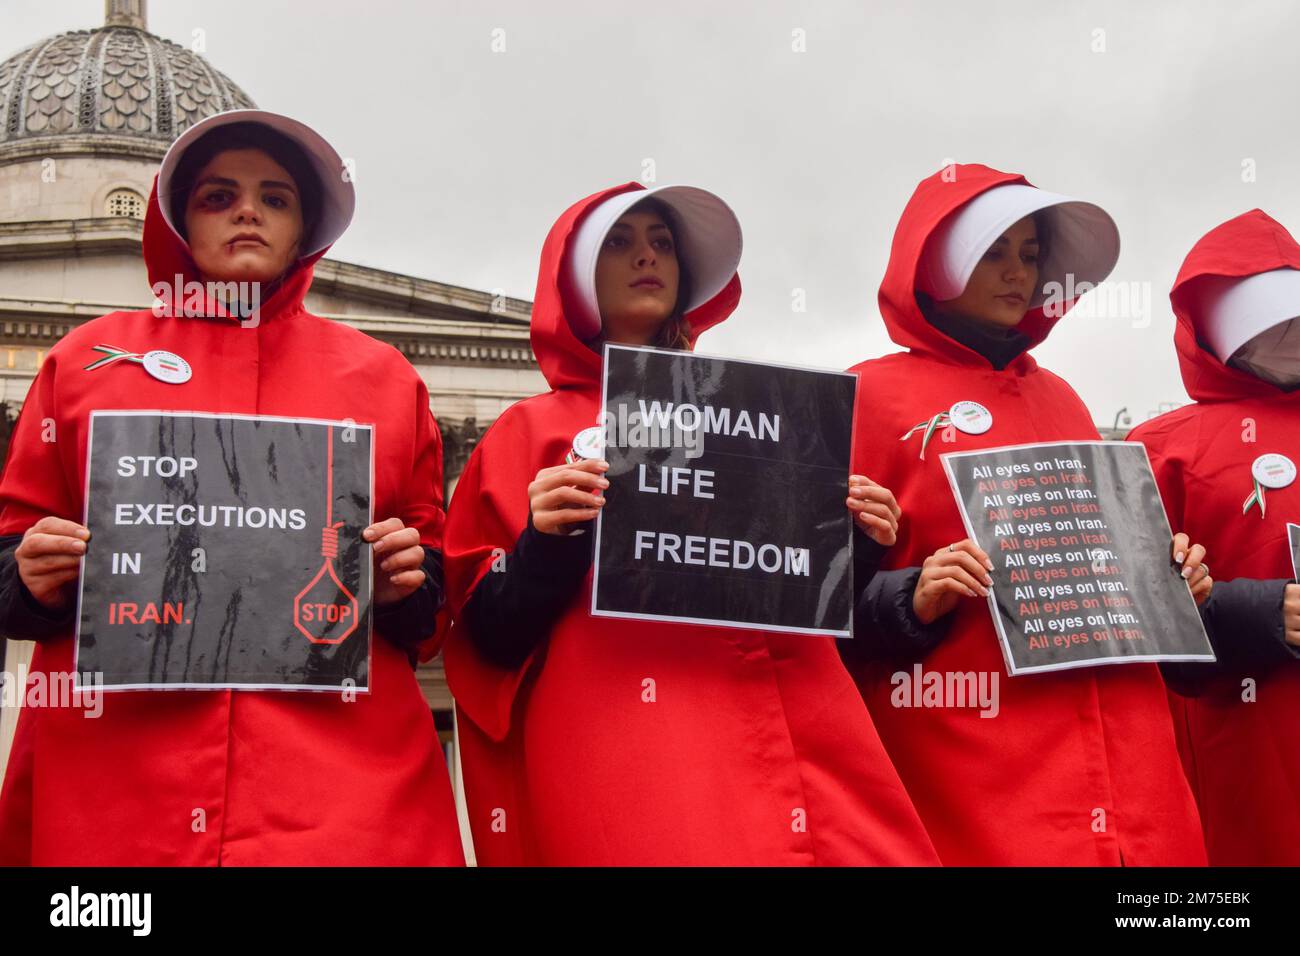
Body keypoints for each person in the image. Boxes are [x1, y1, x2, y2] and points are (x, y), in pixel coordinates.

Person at [0, 110, 463, 865]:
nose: (249, 211)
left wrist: (407, 580)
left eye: (275, 198)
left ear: (304, 226)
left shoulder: (383, 378)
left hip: (336, 789)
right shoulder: (87, 360)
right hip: (121, 784)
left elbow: (435, 593)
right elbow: (10, 550)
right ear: (178, 217)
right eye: (220, 196)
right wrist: (28, 575)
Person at [441, 181, 939, 865]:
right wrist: (545, 547)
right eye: (620, 242)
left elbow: (800, 596)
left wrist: (855, 541)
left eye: (662, 243)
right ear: (575, 275)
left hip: (802, 719)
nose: (647, 257)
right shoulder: (525, 431)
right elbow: (484, 635)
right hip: (639, 753)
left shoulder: (764, 418)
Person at [844, 162, 1209, 865]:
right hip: (971, 767)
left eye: (1031, 255)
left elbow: (1108, 569)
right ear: (941, 263)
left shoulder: (1066, 399)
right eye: (994, 252)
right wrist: (912, 597)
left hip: (1135, 761)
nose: (1019, 273)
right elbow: (818, 611)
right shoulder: (866, 397)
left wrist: (1170, 584)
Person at [1127, 209, 1300, 865]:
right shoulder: (1161, 449)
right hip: (1235, 741)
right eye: (1271, 319)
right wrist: (1251, 614)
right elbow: (1129, 611)